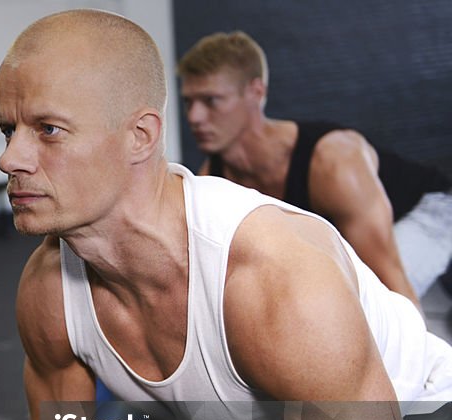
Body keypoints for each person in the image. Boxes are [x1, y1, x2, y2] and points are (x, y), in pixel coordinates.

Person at [0, 10, 452, 420]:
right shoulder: (47, 296)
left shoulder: (271, 283)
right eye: (8, 129)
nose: (10, 156)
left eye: (47, 130)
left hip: (407, 419)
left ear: (140, 136)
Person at [177, 30, 452, 309]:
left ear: (256, 92)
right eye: (189, 102)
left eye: (211, 101)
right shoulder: (213, 179)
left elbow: (390, 281)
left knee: (365, 303)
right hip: (356, 241)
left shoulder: (332, 162)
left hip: (430, 210)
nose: (194, 117)